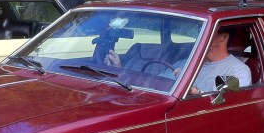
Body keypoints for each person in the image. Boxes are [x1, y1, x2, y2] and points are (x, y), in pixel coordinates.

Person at [103, 27, 252, 94]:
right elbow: (157, 85)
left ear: (224, 37)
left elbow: (228, 107)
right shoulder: (189, 61)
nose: (199, 36)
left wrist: (196, 92)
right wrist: (120, 70)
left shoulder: (238, 71)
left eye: (206, 31)